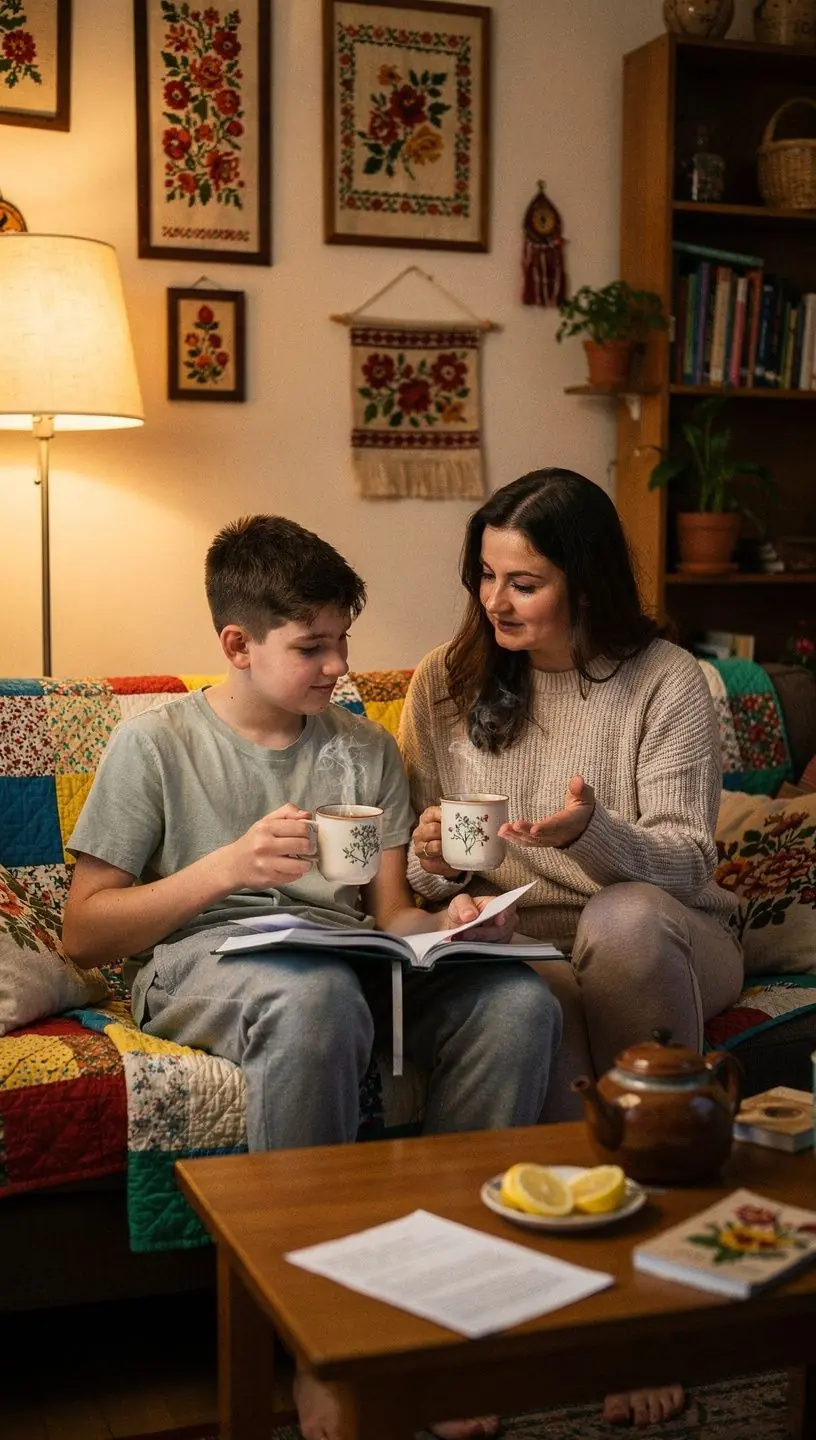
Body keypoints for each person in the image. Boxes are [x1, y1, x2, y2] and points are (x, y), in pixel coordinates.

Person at [62, 513, 561, 1440]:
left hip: (346, 957)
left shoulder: (364, 749)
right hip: (208, 960)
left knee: (516, 1004)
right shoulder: (156, 746)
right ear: (238, 645)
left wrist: (452, 924)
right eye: (312, 647)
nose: (338, 667)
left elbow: (390, 918)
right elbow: (84, 933)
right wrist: (226, 867)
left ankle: (446, 1318)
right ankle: (318, 1343)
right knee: (314, 997)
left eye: (344, 641)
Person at [398, 469, 743, 1430]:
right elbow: (421, 869)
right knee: (531, 989)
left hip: (670, 928)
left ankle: (655, 1317)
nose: (495, 601)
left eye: (525, 582)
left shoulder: (668, 679)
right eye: (485, 575)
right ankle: (571, 1315)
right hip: (524, 939)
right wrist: (434, 866)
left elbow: (687, 861)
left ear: (585, 582)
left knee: (618, 924)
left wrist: (590, 833)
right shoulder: (445, 681)